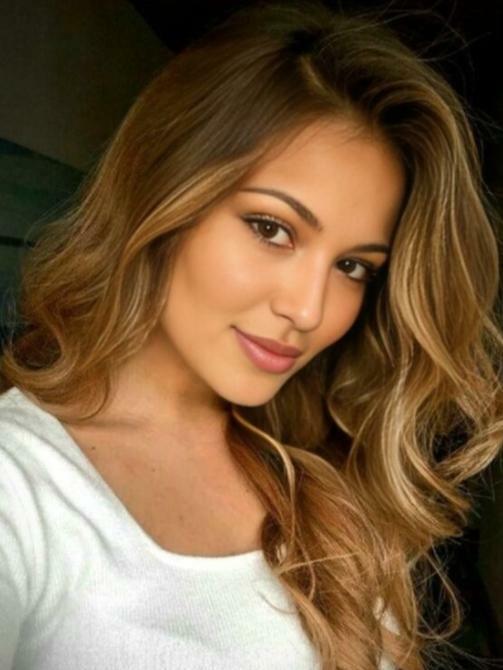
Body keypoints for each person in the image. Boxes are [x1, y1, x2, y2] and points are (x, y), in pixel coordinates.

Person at [0, 1, 502, 668]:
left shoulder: (324, 485)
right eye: (272, 229)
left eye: (353, 267)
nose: (309, 310)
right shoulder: (20, 485)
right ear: (163, 191)